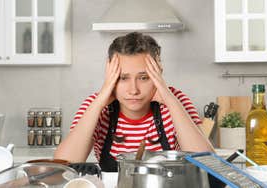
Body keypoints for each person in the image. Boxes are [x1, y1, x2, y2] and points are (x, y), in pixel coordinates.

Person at [54, 32, 214, 171]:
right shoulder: (96, 106)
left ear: (158, 74)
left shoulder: (176, 101)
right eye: (123, 78)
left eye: (144, 78)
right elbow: (62, 167)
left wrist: (169, 98)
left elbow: (208, 165)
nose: (133, 90)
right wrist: (99, 102)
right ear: (110, 77)